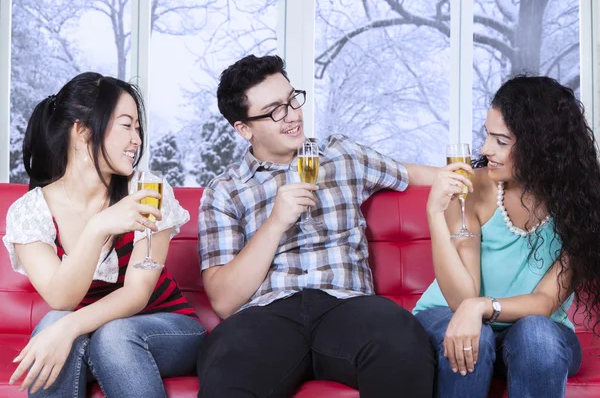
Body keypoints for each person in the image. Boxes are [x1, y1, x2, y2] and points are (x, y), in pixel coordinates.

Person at [196, 54, 438, 398]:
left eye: (292, 99)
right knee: (227, 366)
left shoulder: (343, 156)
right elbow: (223, 300)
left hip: (348, 305)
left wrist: (491, 176)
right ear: (244, 128)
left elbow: (422, 176)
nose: (293, 115)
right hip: (266, 316)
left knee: (401, 338)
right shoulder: (225, 190)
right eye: (275, 110)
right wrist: (276, 222)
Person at [3, 72, 206, 397]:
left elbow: (137, 294)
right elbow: (62, 299)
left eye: (138, 128)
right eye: (127, 125)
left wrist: (68, 327)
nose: (137, 140)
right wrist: (99, 227)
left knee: (104, 334)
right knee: (54, 324)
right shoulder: (31, 213)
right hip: (91, 329)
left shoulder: (147, 191)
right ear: (82, 131)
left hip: (168, 326)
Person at [412, 75, 600, 397]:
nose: (485, 149)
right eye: (487, 135)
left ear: (541, 146)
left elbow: (544, 302)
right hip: (450, 314)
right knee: (478, 338)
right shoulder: (474, 188)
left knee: (537, 336)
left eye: (501, 141)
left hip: (532, 328)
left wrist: (481, 307)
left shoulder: (580, 204)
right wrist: (434, 214)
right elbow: (461, 299)